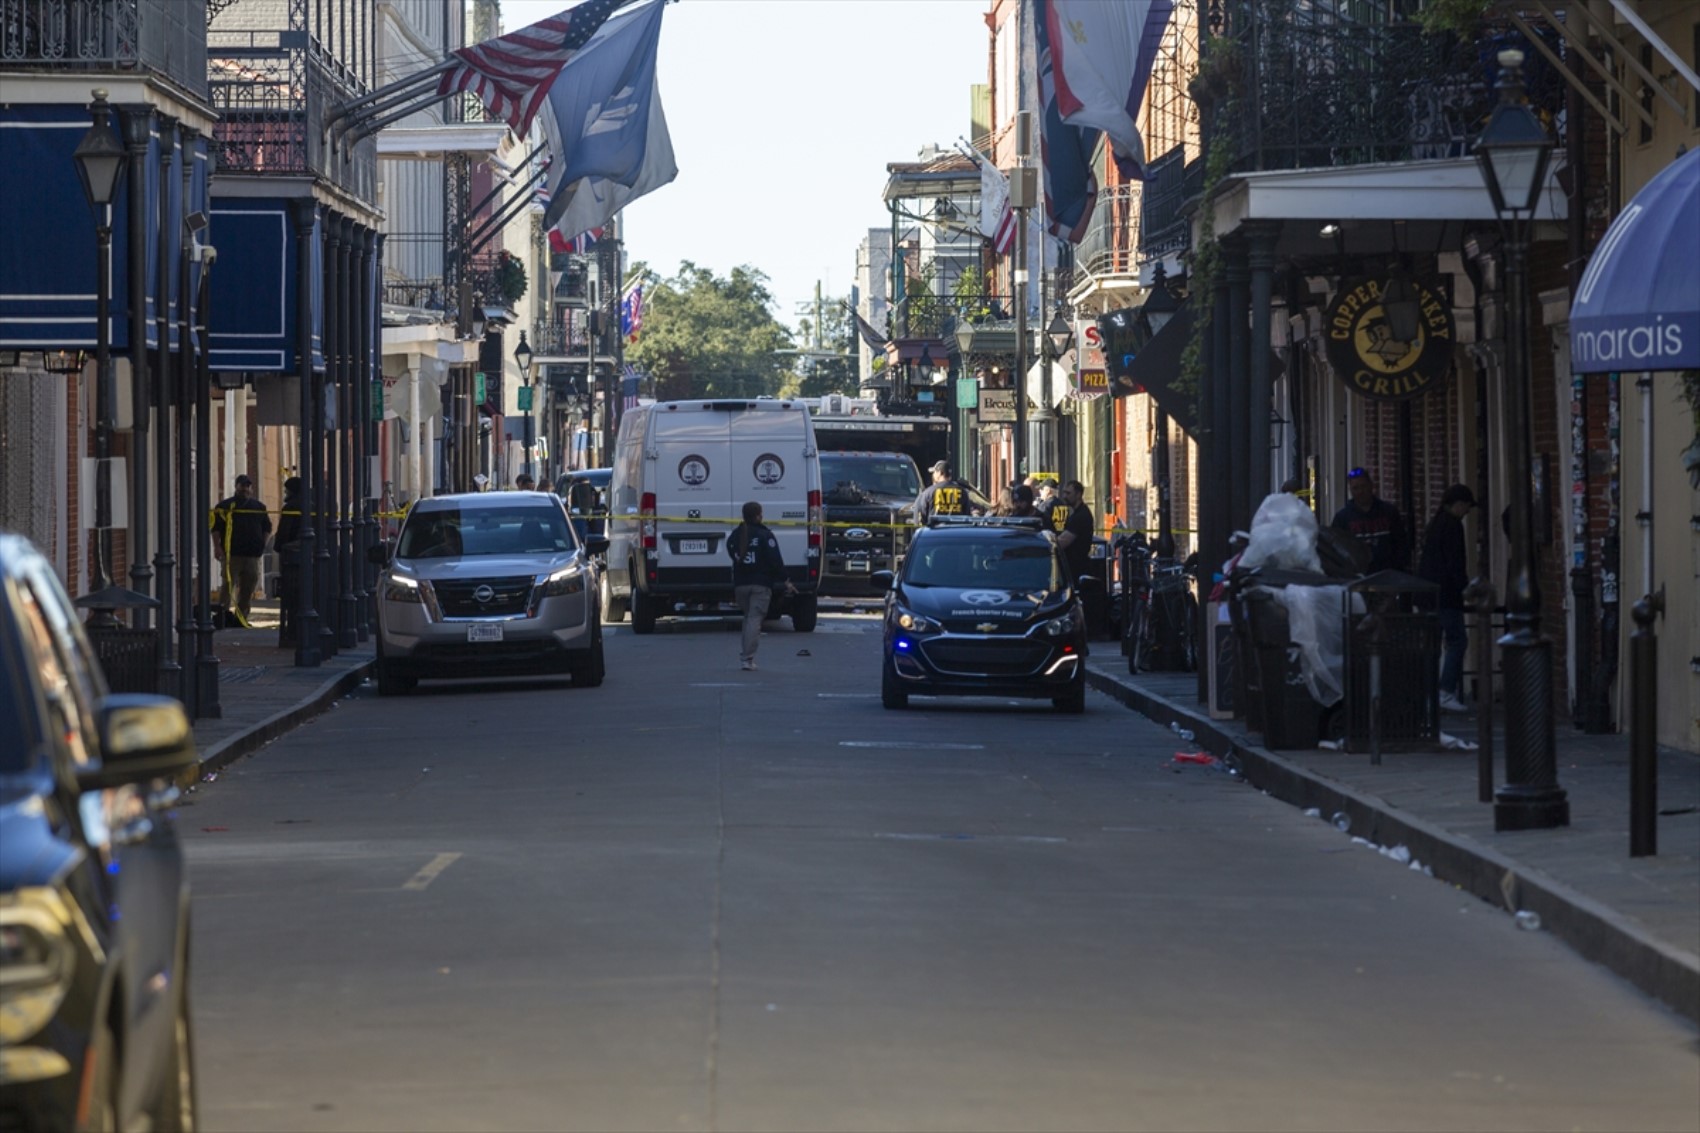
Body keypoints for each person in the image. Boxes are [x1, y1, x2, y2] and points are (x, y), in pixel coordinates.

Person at [1418, 484, 1477, 713]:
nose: (1467, 512)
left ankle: (1428, 693)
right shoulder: (1453, 527)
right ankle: (1445, 690)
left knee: (1431, 645)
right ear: (1459, 504)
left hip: (1427, 594)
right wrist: (1465, 587)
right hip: (1446, 595)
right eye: (1467, 507)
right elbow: (1455, 563)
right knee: (1457, 641)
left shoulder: (1435, 524)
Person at [728, 501, 793, 671]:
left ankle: (745, 654)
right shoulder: (765, 535)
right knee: (755, 619)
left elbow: (731, 551)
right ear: (758, 515)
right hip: (760, 584)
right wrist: (785, 579)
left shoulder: (736, 534)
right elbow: (775, 560)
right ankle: (747, 659)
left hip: (741, 584)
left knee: (748, 617)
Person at [210, 474, 272, 625]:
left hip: (252, 555)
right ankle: (222, 615)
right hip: (232, 554)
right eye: (242, 485)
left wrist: (262, 544)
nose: (245, 488)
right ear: (236, 487)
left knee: (248, 588)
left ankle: (242, 618)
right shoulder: (224, 506)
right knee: (227, 585)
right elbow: (216, 528)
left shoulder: (259, 507)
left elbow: (267, 528)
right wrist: (217, 547)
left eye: (247, 486)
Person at [1330, 466, 1408, 574]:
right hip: (1356, 579)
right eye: (1355, 488)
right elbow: (1336, 551)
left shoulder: (1389, 513)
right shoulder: (1342, 519)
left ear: (1371, 486)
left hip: (1387, 577)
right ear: (1350, 490)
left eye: (1363, 486)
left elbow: (1401, 544)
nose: (1360, 491)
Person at [274, 476, 304, 648]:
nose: (285, 493)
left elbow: (284, 533)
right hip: (306, 563)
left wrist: (279, 546)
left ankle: (292, 631)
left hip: (292, 562)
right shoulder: (311, 505)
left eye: (287, 490)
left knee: (291, 599)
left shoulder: (291, 508)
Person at [1054, 479, 1095, 584]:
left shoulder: (1081, 516)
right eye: (1064, 492)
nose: (1064, 496)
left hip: (1077, 568)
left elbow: (1062, 542)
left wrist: (1048, 542)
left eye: (1068, 493)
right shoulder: (1075, 513)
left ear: (1078, 495)